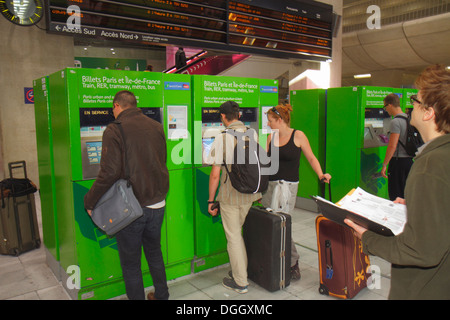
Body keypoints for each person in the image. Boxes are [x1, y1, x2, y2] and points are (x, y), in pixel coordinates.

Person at [345, 64, 450, 300]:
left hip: (423, 290)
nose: (410, 103)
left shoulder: (429, 166)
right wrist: (416, 206)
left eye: (415, 99)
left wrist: (368, 238)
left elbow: (420, 250)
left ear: (428, 112)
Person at [84, 90, 170, 300]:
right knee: (155, 253)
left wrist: (90, 200)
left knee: (131, 265)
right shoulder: (156, 126)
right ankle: (162, 295)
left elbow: (109, 172)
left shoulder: (114, 130)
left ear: (117, 106)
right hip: (158, 202)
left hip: (132, 207)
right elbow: (161, 160)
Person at [261, 104, 331, 280]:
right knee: (271, 223)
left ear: (280, 120)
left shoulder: (297, 135)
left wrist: (321, 174)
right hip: (271, 186)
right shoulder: (270, 138)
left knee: (284, 223)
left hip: (288, 188)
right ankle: (276, 258)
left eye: (270, 121)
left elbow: (311, 157)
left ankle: (293, 262)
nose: (268, 124)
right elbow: (264, 163)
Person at [207, 100, 261, 294]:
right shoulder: (251, 132)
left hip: (231, 195)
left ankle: (240, 282)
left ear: (223, 117)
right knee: (237, 234)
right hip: (250, 193)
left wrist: (211, 200)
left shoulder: (222, 137)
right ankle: (241, 272)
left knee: (234, 238)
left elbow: (215, 174)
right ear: (238, 116)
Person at [381, 93, 414, 200]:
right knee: (405, 195)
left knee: (395, 195)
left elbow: (392, 145)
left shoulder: (395, 122)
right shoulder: (409, 119)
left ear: (390, 105)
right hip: (409, 161)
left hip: (398, 162)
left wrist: (385, 164)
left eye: (385, 107)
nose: (386, 110)